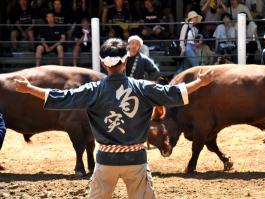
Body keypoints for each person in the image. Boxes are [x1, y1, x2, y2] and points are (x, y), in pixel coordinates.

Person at [14, 37, 215, 199]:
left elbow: (60, 97)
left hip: (105, 162)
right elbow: (174, 93)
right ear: (126, 61)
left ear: (103, 63)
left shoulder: (93, 90)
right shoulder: (142, 87)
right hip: (136, 162)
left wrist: (29, 88)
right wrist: (200, 82)